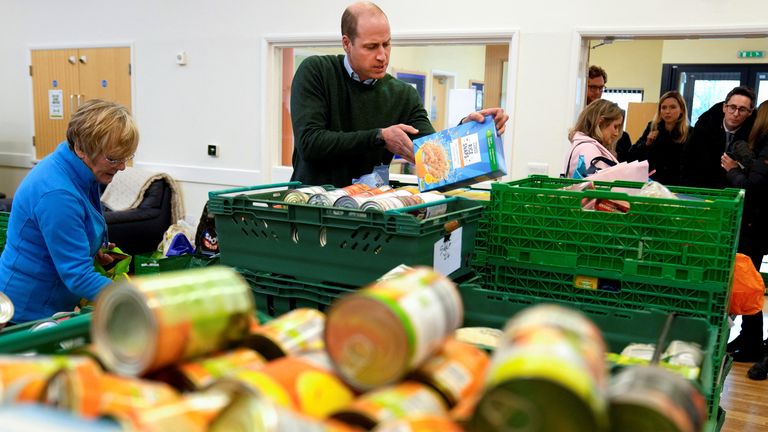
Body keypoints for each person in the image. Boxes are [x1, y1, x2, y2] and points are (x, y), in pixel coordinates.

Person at [290, 1, 508, 187]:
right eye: (371, 46)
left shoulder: (403, 95)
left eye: (386, 44)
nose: (382, 56)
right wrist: (379, 137)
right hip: (313, 210)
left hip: (369, 211)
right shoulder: (317, 71)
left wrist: (468, 129)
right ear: (347, 43)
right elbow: (310, 143)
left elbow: (433, 153)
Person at [0, 99, 138, 324]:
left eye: (126, 157)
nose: (122, 166)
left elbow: (75, 230)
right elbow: (77, 275)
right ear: (81, 148)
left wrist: (93, 251)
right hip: (25, 311)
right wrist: (137, 301)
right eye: (113, 158)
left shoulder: (82, 171)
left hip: (48, 305)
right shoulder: (57, 194)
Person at [720, 100, 768, 368]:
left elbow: (754, 187)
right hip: (754, 224)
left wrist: (733, 171)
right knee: (746, 280)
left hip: (755, 226)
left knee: (748, 282)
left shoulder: (765, 146)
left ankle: (750, 344)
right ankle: (748, 338)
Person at [681, 86, 756, 189]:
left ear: (750, 112)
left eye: (742, 110)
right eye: (732, 107)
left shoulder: (755, 133)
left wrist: (738, 168)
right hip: (701, 189)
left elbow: (755, 172)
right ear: (724, 107)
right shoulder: (704, 126)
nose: (736, 114)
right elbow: (688, 160)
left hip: (734, 192)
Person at [625, 91, 691, 186]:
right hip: (653, 184)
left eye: (673, 107)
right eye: (663, 108)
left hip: (678, 185)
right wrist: (646, 144)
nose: (667, 111)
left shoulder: (689, 133)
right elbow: (631, 156)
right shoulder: (652, 127)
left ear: (681, 110)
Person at [562, 99, 624, 178]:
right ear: (600, 122)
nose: (616, 133)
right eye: (615, 127)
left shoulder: (585, 146)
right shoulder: (587, 149)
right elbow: (598, 185)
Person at [586, 65, 632, 162]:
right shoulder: (576, 112)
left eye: (601, 88)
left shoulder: (606, 110)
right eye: (593, 87)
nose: (598, 92)